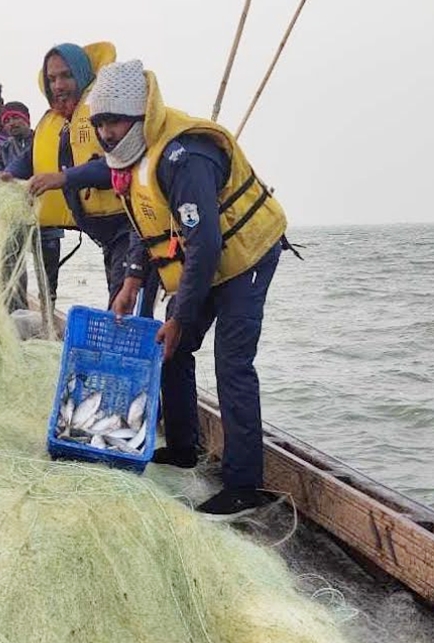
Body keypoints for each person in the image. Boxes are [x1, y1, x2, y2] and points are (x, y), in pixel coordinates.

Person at [88, 59, 294, 520]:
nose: (106, 134)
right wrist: (131, 280)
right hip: (206, 263)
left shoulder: (186, 157)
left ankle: (244, 486)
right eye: (99, 123)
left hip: (245, 257)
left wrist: (181, 316)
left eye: (115, 122)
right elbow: (149, 223)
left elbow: (204, 245)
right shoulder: (135, 159)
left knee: (232, 364)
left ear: (140, 116)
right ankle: (183, 447)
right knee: (171, 349)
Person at [0, 42, 159, 317]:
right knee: (119, 310)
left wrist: (63, 178)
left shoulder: (105, 113)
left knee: (126, 315)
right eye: (51, 79)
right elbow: (32, 157)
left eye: (66, 76)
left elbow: (115, 166)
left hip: (133, 229)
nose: (58, 85)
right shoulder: (58, 122)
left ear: (82, 75)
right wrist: (9, 173)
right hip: (106, 237)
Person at [0, 101, 65, 306]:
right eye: (7, 120)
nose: (11, 123)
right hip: (15, 221)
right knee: (12, 269)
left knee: (48, 273)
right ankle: (17, 311)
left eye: (16, 118)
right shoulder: (2, 150)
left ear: (27, 119)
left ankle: (48, 311)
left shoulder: (44, 141)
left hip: (47, 220)